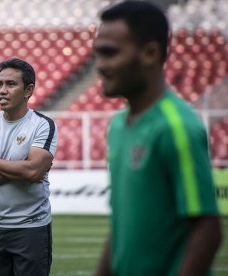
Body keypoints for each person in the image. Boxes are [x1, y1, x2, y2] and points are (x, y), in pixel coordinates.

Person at [92, 1, 222, 275]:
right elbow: (121, 226)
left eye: (110, 53)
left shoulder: (176, 127)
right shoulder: (117, 126)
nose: (100, 65)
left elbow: (207, 230)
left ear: (150, 53)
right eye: (98, 54)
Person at [0, 57, 58, 276]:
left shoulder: (42, 125)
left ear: (28, 90)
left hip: (31, 229)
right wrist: (24, 171)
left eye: (10, 84)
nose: (2, 90)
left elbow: (33, 171)